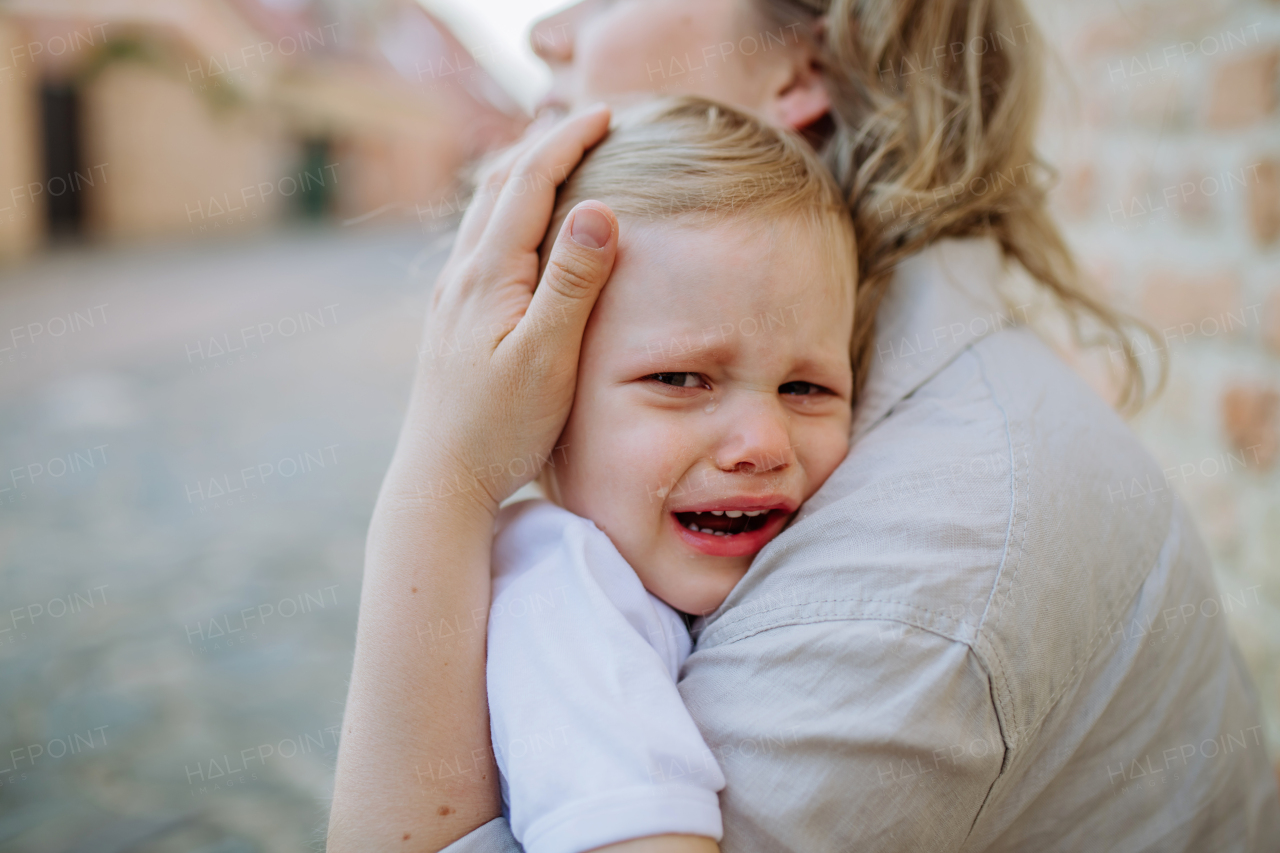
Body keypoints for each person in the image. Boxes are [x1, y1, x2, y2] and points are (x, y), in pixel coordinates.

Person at [328, 0, 1280, 850]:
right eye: (677, 377)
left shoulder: (912, 567)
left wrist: (444, 475)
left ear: (801, 69)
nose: (547, 31)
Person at [485, 97, 857, 853]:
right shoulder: (564, 594)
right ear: (545, 402)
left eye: (806, 389)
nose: (761, 443)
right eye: (682, 378)